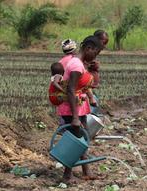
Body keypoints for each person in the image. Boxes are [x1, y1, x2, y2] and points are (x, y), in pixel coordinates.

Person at [57, 35, 104, 183]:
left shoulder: (79, 63)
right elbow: (71, 90)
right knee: (75, 141)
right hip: (72, 109)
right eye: (95, 53)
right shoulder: (76, 65)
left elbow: (85, 85)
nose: (95, 56)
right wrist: (75, 117)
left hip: (78, 107)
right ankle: (66, 175)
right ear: (89, 48)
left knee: (81, 139)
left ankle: (86, 170)